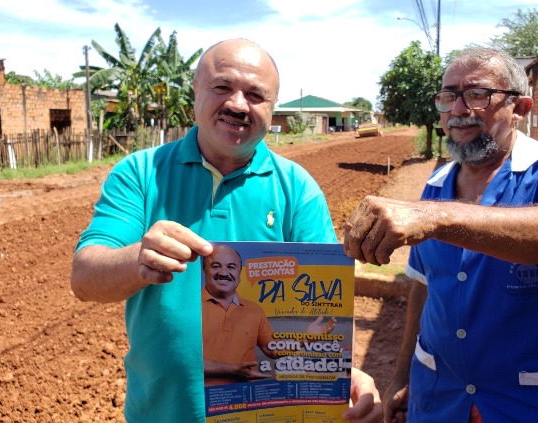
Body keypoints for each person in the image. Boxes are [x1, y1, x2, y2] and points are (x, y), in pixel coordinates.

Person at [71, 38, 382, 422]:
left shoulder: (297, 189)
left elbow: (311, 320)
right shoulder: (139, 174)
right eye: (222, 87)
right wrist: (138, 260)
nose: (237, 104)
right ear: (195, 93)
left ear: (272, 108)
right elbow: (84, 277)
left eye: (255, 95)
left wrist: (343, 374)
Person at [343, 47, 538, 423]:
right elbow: (424, 285)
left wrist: (438, 217)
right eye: (448, 96)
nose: (458, 109)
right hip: (441, 398)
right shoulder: (436, 185)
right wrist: (402, 375)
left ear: (521, 108)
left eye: (477, 94)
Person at [202, 244, 336, 385]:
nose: (223, 273)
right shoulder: (192, 308)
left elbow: (271, 349)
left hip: (247, 398)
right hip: (203, 401)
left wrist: (306, 340)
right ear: (204, 269)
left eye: (231, 267)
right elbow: (186, 360)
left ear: (239, 272)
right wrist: (231, 370)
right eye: (216, 266)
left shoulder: (254, 309)